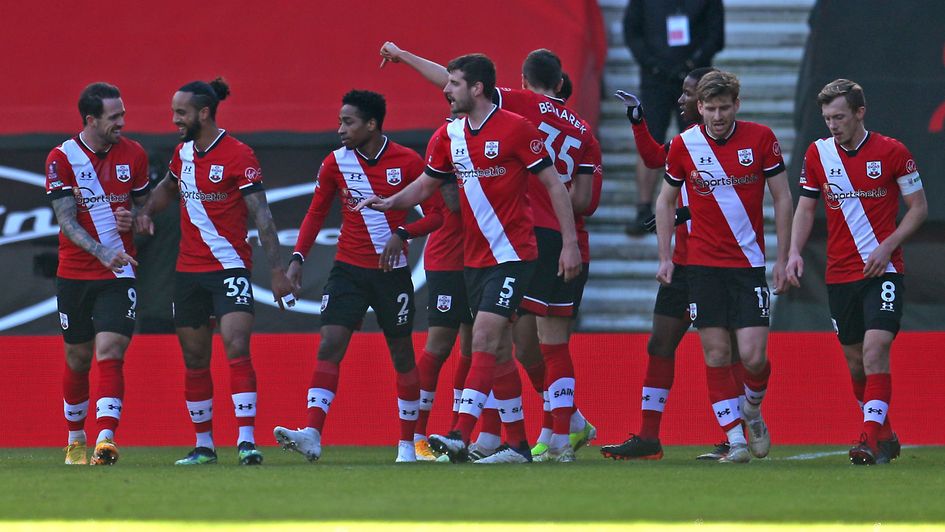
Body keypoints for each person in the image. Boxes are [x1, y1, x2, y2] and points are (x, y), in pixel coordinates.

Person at [379, 43, 599, 463]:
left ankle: (464, 432)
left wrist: (405, 56)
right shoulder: (453, 134)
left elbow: (555, 186)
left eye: (456, 84)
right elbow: (585, 198)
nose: (447, 89)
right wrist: (392, 202)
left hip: (519, 247)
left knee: (493, 338)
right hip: (480, 254)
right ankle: (527, 440)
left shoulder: (518, 117)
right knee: (510, 347)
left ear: (487, 88)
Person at [272, 90, 443, 463]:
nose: (341, 129)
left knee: (401, 353)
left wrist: (403, 234)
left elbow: (436, 214)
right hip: (347, 270)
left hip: (391, 275)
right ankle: (312, 434)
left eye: (348, 122)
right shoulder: (335, 163)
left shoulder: (408, 161)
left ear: (372, 124)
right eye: (340, 121)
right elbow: (316, 213)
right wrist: (298, 258)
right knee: (330, 343)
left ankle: (405, 446)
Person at [135, 78, 293, 466]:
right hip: (188, 272)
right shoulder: (182, 154)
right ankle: (204, 445)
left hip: (230, 268)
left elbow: (262, 214)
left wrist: (277, 270)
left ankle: (246, 441)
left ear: (203, 113)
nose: (175, 119)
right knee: (194, 359)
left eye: (181, 112)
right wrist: (145, 212)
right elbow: (167, 189)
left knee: (237, 346)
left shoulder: (239, 155)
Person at [601, 67, 747, 461]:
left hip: (717, 264)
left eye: (687, 94)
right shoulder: (685, 144)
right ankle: (649, 436)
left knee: (729, 352)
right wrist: (637, 122)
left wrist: (683, 215)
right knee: (661, 342)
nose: (680, 100)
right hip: (682, 264)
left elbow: (729, 208)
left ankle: (741, 432)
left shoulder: (736, 146)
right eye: (683, 93)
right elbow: (655, 159)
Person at [654, 70, 793, 463]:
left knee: (753, 357)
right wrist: (666, 256)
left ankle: (752, 411)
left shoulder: (761, 138)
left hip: (748, 265)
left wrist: (785, 257)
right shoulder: (684, 144)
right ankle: (735, 440)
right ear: (699, 108)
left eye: (724, 108)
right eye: (710, 108)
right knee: (715, 354)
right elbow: (665, 201)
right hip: (702, 267)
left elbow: (782, 198)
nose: (717, 116)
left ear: (737, 105)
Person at [786, 79, 926, 465]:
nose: (833, 125)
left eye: (840, 116)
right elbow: (805, 208)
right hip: (839, 273)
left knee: (875, 348)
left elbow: (918, 208)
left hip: (882, 270)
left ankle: (867, 440)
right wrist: (793, 252)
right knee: (855, 362)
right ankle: (887, 434)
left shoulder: (892, 151)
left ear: (860, 113)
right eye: (827, 118)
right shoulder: (818, 154)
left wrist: (887, 245)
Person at [46, 82, 151, 466]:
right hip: (75, 272)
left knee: (111, 351)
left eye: (122, 114)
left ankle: (105, 439)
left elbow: (144, 210)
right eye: (114, 117)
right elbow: (66, 222)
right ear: (91, 120)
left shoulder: (135, 154)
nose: (122, 122)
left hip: (118, 272)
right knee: (77, 357)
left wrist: (136, 219)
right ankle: (75, 439)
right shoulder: (61, 158)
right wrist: (100, 251)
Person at [623, 0, 724, 235]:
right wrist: (653, 65)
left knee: (700, 141)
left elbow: (716, 35)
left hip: (695, 78)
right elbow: (632, 32)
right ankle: (643, 209)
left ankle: (701, 205)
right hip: (654, 78)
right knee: (652, 137)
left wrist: (691, 64)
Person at [411, 126, 472, 462]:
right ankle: (416, 437)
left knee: (474, 347)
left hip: (482, 261)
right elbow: (453, 202)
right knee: (438, 346)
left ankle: (454, 433)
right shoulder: (447, 147)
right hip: (447, 261)